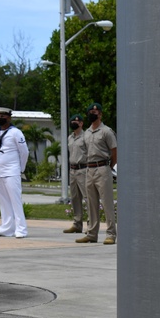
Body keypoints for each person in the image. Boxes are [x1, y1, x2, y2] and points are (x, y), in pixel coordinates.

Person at [76, 102, 118, 245]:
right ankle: (92, 233)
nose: (93, 114)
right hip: (89, 169)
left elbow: (114, 152)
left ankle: (111, 234)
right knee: (91, 202)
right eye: (90, 112)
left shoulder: (106, 131)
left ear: (100, 114)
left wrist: (108, 167)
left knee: (107, 203)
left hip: (102, 168)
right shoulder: (86, 133)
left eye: (96, 112)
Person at [0, 107, 30, 239]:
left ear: (9, 117)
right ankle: (6, 228)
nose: (0, 117)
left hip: (12, 171)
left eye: (3, 115)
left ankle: (21, 229)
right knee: (3, 201)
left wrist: (20, 168)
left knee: (15, 201)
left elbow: (24, 152)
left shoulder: (16, 133)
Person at [63, 114, 88, 234]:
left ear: (81, 123)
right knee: (75, 198)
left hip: (83, 169)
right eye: (72, 120)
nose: (74, 123)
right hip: (72, 170)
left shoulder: (86, 137)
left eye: (76, 121)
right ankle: (77, 224)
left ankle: (91, 224)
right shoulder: (70, 137)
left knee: (88, 198)